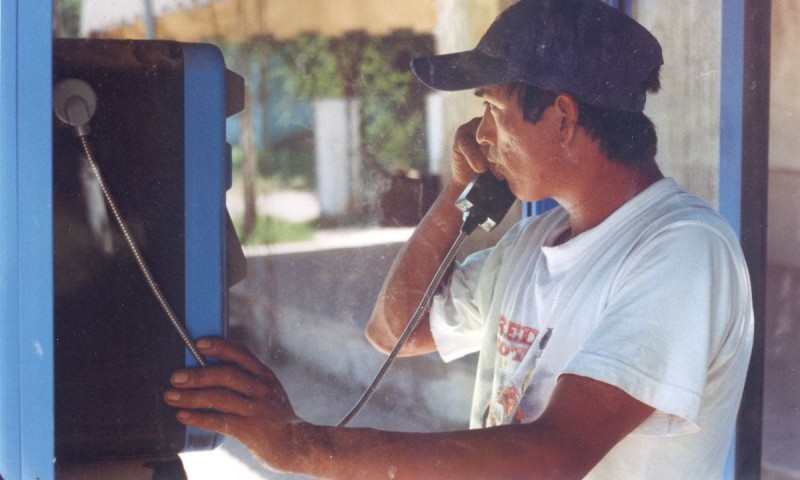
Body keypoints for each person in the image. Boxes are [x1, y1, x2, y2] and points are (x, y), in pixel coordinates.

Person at [164, 0, 754, 478]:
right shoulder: (536, 240)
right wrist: (457, 193)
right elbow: (394, 331)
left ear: (564, 118)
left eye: (494, 110)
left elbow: (551, 457)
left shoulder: (681, 252)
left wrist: (305, 448)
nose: (481, 133)